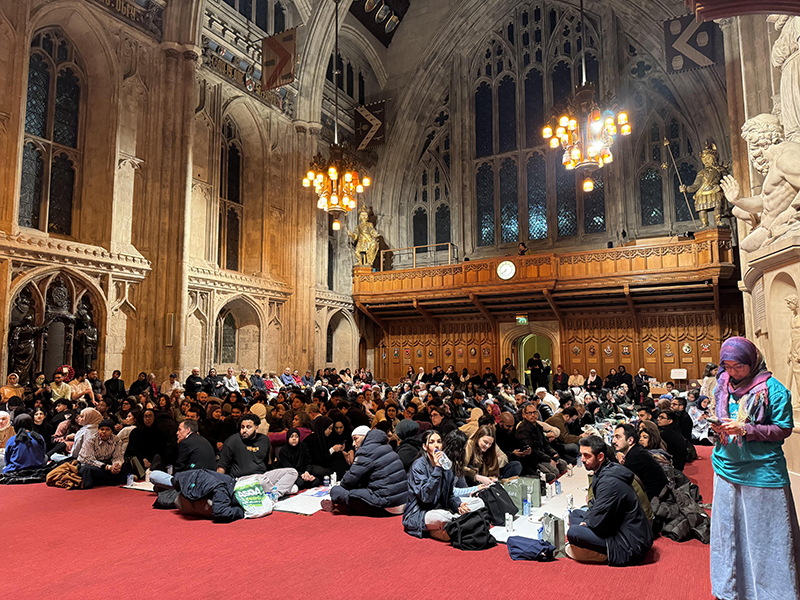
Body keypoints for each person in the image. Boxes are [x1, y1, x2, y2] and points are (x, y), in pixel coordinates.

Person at [709, 337, 800, 600]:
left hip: (762, 470)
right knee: (729, 534)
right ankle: (731, 589)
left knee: (765, 537)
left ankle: (774, 593)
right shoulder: (722, 385)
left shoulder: (773, 389)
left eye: (738, 366)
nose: (732, 372)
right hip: (727, 465)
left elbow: (783, 429)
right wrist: (718, 427)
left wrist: (746, 430)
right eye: (727, 366)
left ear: (752, 361)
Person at [566, 436, 654, 565]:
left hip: (630, 544)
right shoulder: (605, 470)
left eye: (587, 455)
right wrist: (587, 521)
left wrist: (588, 523)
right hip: (618, 525)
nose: (582, 460)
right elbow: (596, 506)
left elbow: (598, 523)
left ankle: (602, 553)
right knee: (576, 514)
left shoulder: (609, 483)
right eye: (581, 455)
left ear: (600, 456)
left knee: (574, 532)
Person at [403, 430, 484, 541]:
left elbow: (450, 496)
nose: (436, 445)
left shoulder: (446, 464)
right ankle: (461, 523)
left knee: (479, 502)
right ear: (425, 447)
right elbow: (426, 497)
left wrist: (459, 505)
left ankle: (452, 526)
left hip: (442, 507)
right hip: (421, 513)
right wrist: (437, 469)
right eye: (431, 442)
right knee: (444, 517)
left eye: (439, 441)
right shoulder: (418, 466)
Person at [325, 425, 407, 515]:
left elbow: (348, 481)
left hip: (386, 505)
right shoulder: (387, 447)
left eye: (355, 439)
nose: (353, 443)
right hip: (402, 502)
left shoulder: (367, 451)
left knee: (337, 491)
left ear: (364, 437)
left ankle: (342, 506)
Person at [217, 413, 298, 497]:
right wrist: (219, 488)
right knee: (264, 482)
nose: (244, 430)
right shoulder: (232, 441)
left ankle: (275, 494)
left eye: (248, 427)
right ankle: (279, 490)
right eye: (242, 427)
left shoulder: (264, 440)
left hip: (263, 476)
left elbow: (267, 463)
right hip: (242, 479)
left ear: (256, 428)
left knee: (292, 472)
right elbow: (221, 467)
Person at [149, 419, 217, 490]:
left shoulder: (185, 443)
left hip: (194, 483)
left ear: (188, 430)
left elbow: (179, 468)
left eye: (179, 430)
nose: (177, 433)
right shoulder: (203, 440)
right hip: (209, 481)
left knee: (154, 475)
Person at [612, 424, 668, 501]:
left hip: (655, 502)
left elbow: (622, 484)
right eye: (613, 437)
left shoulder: (635, 456)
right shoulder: (637, 451)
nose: (613, 441)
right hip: (656, 497)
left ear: (630, 440)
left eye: (617, 437)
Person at [77, 419, 126, 489]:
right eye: (102, 429)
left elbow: (118, 456)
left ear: (111, 431)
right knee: (87, 470)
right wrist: (107, 467)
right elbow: (88, 459)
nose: (104, 432)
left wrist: (116, 465)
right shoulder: (91, 440)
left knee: (125, 465)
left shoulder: (116, 440)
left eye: (107, 430)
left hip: (108, 465)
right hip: (93, 465)